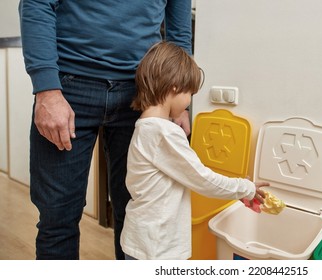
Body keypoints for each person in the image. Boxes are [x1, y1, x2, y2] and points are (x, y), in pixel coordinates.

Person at [19, 0, 193, 260]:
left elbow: (179, 30)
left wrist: (179, 101)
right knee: (58, 217)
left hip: (145, 94)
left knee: (140, 214)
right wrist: (47, 90)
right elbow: (37, 4)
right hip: (68, 88)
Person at [120, 41, 268, 260]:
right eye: (190, 94)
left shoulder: (145, 127)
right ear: (174, 87)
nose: (189, 101)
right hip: (157, 247)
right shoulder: (164, 133)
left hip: (142, 240)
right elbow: (202, 178)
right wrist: (244, 188)